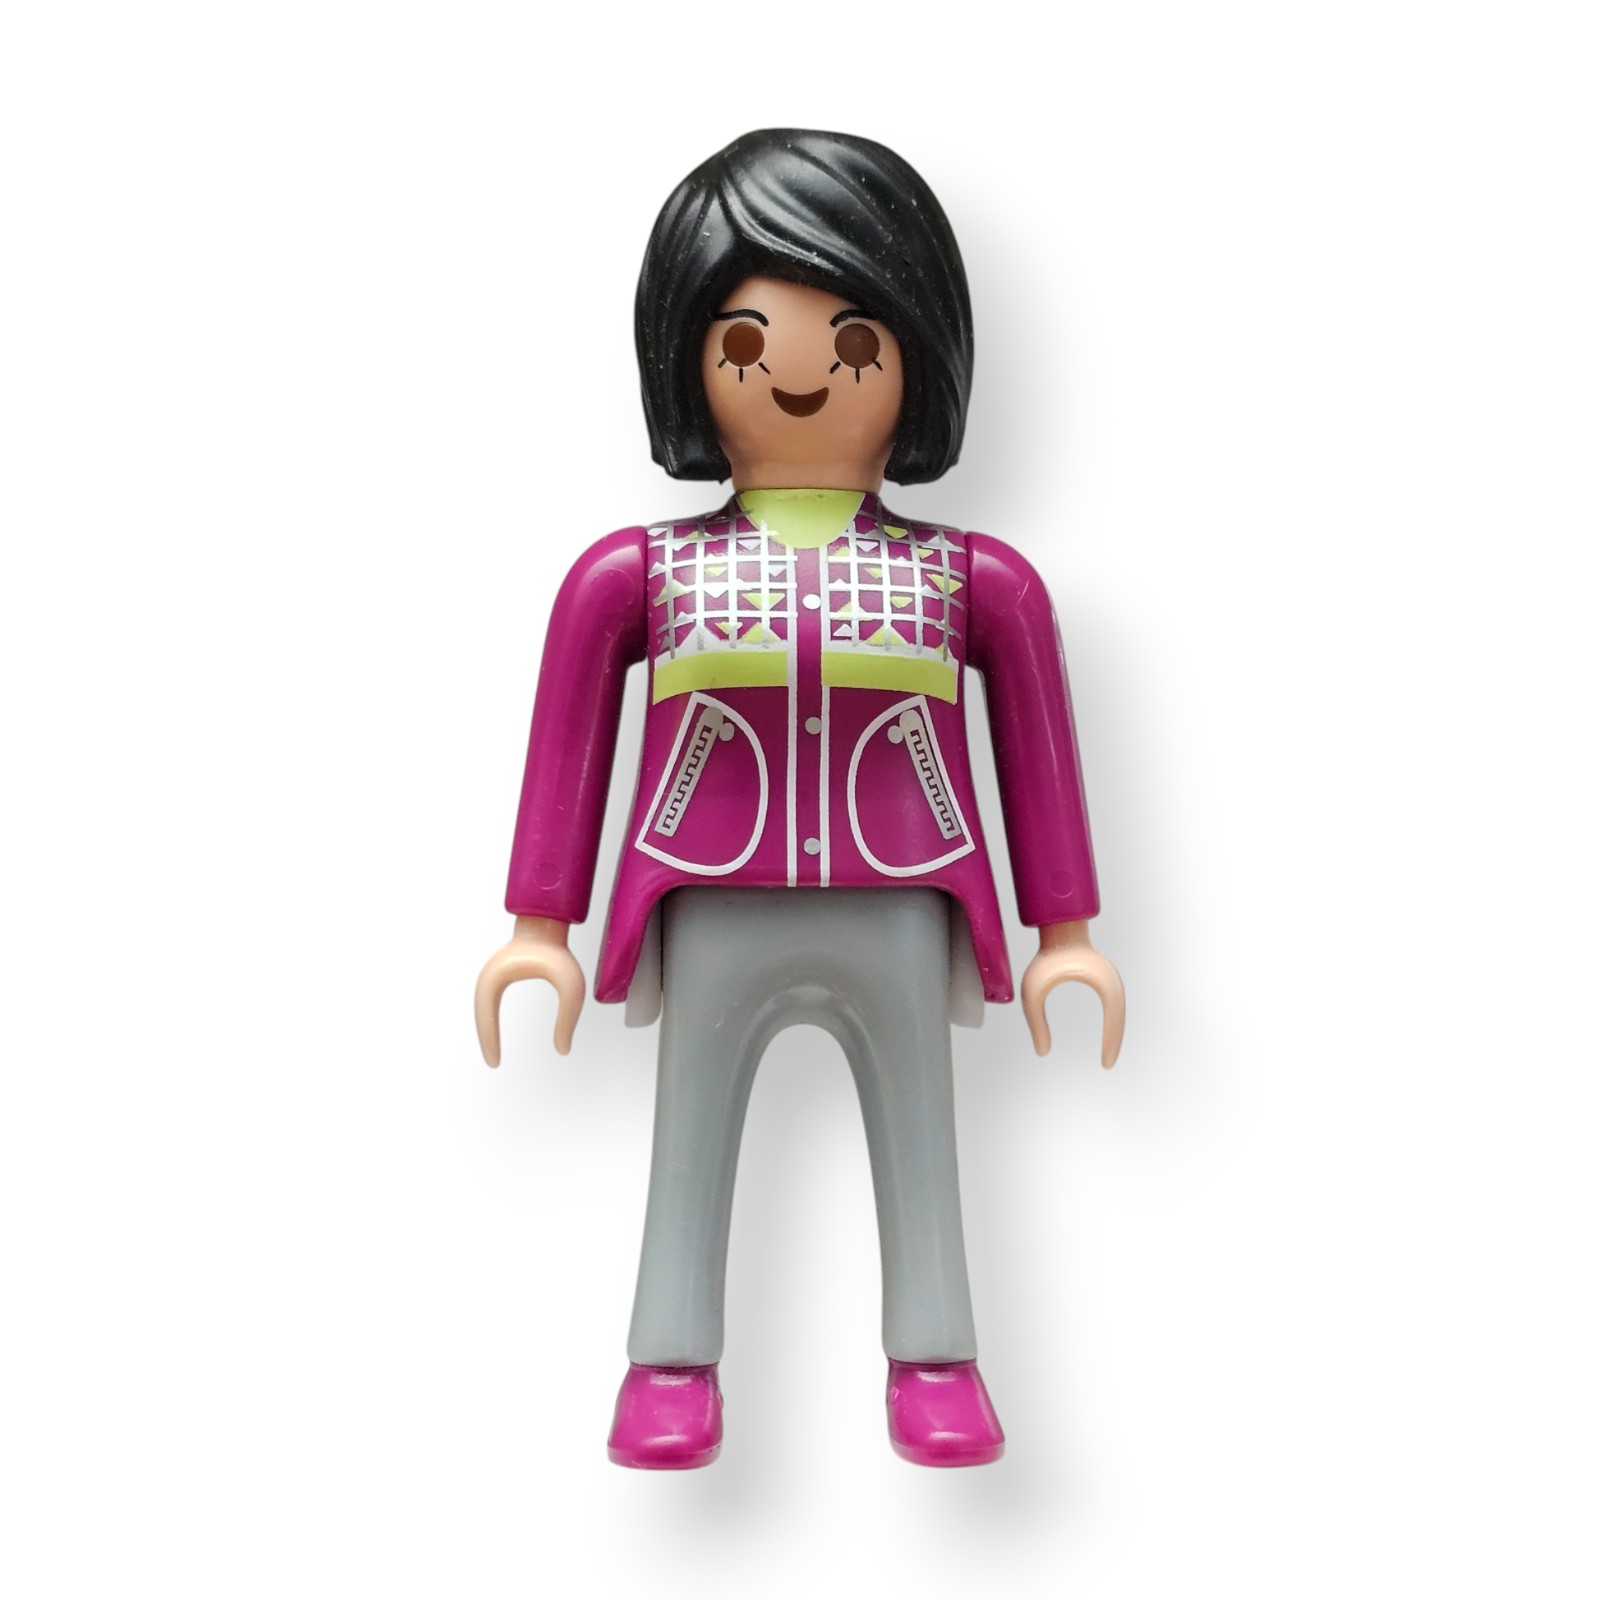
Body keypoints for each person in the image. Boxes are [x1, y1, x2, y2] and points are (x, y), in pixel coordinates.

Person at [474, 129, 1124, 1469]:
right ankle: (670, 1362)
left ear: (919, 357)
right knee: (691, 1126)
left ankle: (937, 1356)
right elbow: (567, 741)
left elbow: (1039, 752)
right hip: (710, 894)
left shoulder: (972, 580)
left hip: (903, 895)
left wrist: (1067, 934)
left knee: (922, 1131)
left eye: (857, 342)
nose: (802, 374)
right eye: (745, 342)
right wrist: (541, 925)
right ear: (689, 359)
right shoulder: (639, 574)